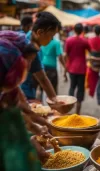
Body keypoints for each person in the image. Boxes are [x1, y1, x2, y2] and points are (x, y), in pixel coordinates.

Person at [0, 31, 54, 171]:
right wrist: (30, 141)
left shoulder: (8, 88)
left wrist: (36, 128)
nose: (28, 68)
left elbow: (17, 111)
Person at [20, 12, 60, 103]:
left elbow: (42, 78)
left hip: (26, 93)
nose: (52, 39)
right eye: (51, 36)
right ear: (40, 32)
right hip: (22, 94)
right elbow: (42, 79)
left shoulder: (31, 41)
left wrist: (55, 101)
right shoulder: (27, 45)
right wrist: (56, 102)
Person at [65, 23, 91, 114]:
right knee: (80, 89)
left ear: (74, 29)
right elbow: (90, 51)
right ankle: (77, 112)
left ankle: (69, 110)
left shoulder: (68, 40)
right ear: (82, 30)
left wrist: (65, 71)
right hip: (82, 69)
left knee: (72, 87)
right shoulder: (85, 41)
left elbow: (66, 55)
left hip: (72, 68)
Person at [41, 23, 65, 94]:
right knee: (53, 90)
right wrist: (65, 67)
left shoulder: (41, 40)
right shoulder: (56, 42)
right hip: (52, 68)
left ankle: (42, 104)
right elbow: (60, 57)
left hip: (42, 67)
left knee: (43, 89)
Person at [86, 25, 100, 97]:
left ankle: (92, 91)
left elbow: (88, 50)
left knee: (92, 75)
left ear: (94, 31)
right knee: (99, 75)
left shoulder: (90, 39)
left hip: (92, 59)